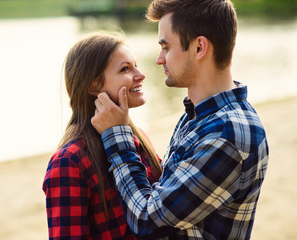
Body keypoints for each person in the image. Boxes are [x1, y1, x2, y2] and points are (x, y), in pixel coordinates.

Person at [91, 0, 269, 239]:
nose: (159, 59)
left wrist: (117, 135)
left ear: (199, 48)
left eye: (166, 47)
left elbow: (147, 220)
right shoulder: (200, 115)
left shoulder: (226, 134)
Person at [42, 33, 162, 239]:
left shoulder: (138, 138)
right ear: (94, 86)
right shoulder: (70, 161)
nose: (140, 74)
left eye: (136, 65)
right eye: (125, 69)